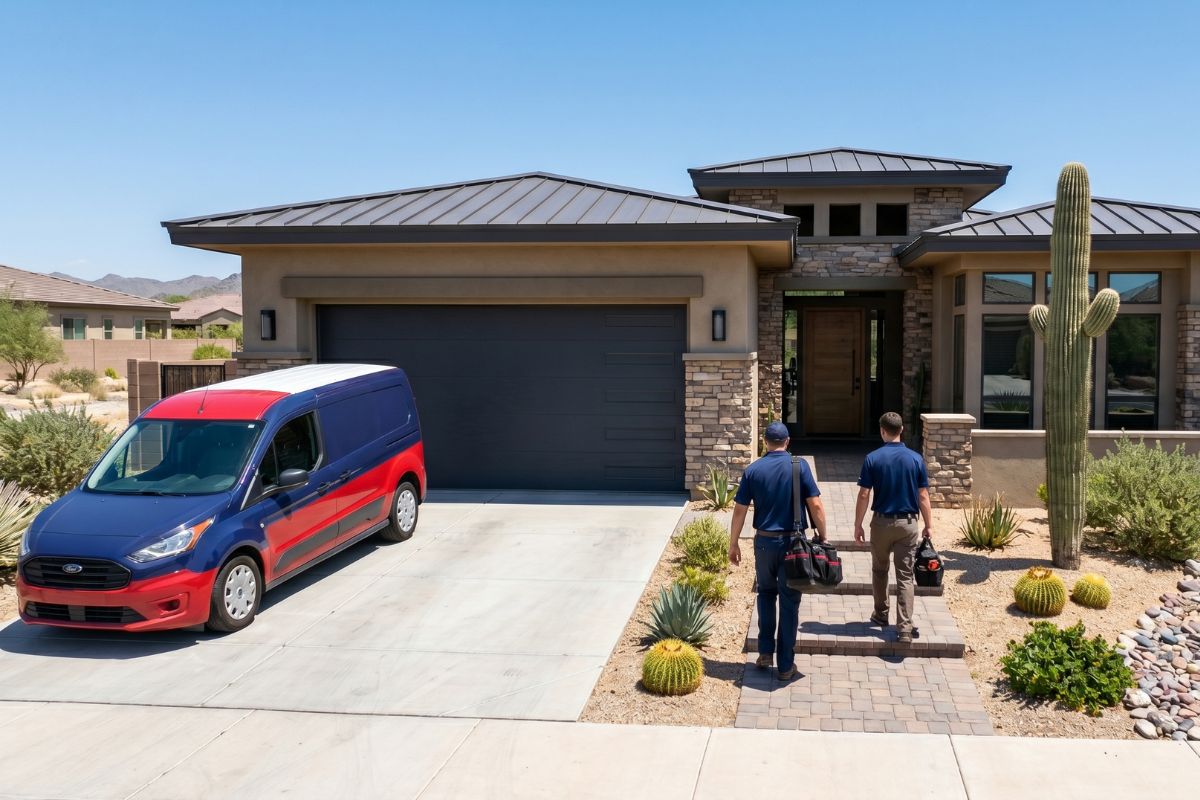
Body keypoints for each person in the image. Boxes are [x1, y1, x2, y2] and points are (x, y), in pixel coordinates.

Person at [729, 421, 827, 680]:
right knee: (789, 601)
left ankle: (764, 652)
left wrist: (734, 542)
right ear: (788, 441)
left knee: (765, 594)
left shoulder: (753, 470)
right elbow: (815, 504)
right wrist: (822, 534)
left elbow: (740, 509)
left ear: (765, 442)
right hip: (792, 544)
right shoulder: (799, 466)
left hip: (763, 543)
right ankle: (785, 666)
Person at [853, 412, 933, 644]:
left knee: (880, 570)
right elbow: (923, 496)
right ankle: (905, 628)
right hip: (907, 524)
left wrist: (858, 524)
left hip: (881, 522)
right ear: (902, 430)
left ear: (882, 431)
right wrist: (929, 524)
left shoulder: (873, 458)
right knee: (905, 576)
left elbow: (864, 494)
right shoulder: (915, 459)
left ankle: (880, 614)